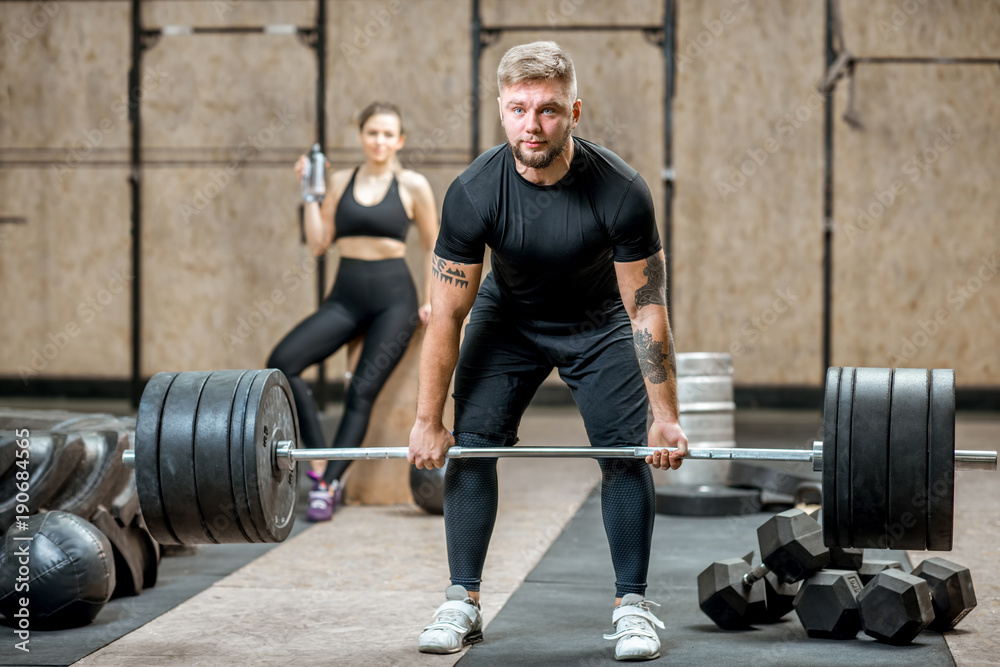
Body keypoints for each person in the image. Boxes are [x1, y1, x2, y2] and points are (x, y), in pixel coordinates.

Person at [407, 41, 689, 661]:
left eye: (549, 110)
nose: (532, 126)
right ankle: (462, 599)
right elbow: (448, 316)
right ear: (501, 112)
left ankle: (632, 606)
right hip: (509, 319)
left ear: (575, 111)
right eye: (518, 109)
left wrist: (665, 414)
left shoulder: (621, 191)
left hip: (599, 322)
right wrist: (429, 422)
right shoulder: (473, 193)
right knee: (473, 447)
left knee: (625, 451)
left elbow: (645, 306)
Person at [269, 102, 438, 522]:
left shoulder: (413, 185)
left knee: (360, 391)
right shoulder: (340, 180)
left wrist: (432, 300)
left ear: (399, 140)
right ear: (361, 136)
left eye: (388, 134)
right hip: (345, 297)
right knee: (282, 362)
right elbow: (319, 244)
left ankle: (327, 485)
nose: (379, 141)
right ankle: (319, 458)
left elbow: (434, 246)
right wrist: (310, 194)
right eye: (372, 133)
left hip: (394, 301)